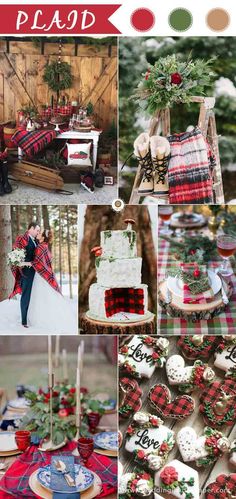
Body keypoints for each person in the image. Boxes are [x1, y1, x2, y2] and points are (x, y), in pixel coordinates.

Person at [27, 229, 77, 334]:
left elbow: (38, 263)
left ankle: (42, 319)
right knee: (43, 298)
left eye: (40, 233)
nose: (38, 234)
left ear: (43, 237)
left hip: (41, 276)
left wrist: (25, 263)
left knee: (41, 298)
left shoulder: (41, 247)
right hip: (44, 275)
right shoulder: (45, 246)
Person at [10, 222, 40, 327]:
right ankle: (24, 321)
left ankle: (31, 317)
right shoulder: (21, 239)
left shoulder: (35, 240)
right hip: (26, 273)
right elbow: (15, 257)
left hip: (35, 272)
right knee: (26, 296)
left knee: (33, 296)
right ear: (31, 228)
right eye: (37, 230)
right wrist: (23, 263)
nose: (38, 232)